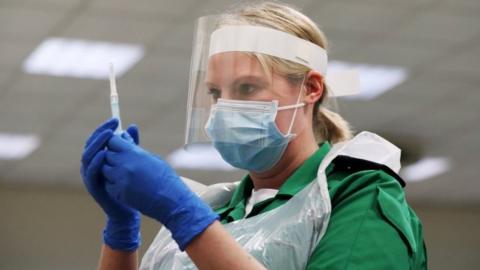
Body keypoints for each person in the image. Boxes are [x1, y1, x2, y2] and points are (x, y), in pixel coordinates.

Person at [81, 2, 427, 269]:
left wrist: (184, 216)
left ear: (310, 88)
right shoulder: (218, 209)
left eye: (247, 88)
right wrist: (122, 231)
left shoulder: (358, 196)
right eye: (216, 93)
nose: (226, 107)